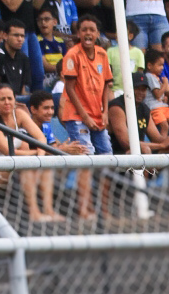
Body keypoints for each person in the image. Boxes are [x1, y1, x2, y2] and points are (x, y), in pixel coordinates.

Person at [0, 83, 60, 221]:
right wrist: (35, 155)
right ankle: (34, 213)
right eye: (2, 99)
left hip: (10, 167)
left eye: (10, 98)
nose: (7, 102)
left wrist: (40, 157)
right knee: (25, 165)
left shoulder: (19, 115)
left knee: (46, 166)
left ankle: (49, 210)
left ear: (15, 100)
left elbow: (40, 138)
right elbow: (10, 152)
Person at [60, 15, 112, 218]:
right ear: (79, 33)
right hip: (77, 115)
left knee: (107, 159)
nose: (88, 33)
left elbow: (107, 85)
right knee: (86, 158)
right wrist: (85, 116)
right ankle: (84, 209)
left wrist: (105, 112)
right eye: (84, 30)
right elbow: (70, 89)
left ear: (98, 34)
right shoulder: (72, 55)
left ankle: (103, 210)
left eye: (92, 29)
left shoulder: (102, 54)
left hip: (98, 115)